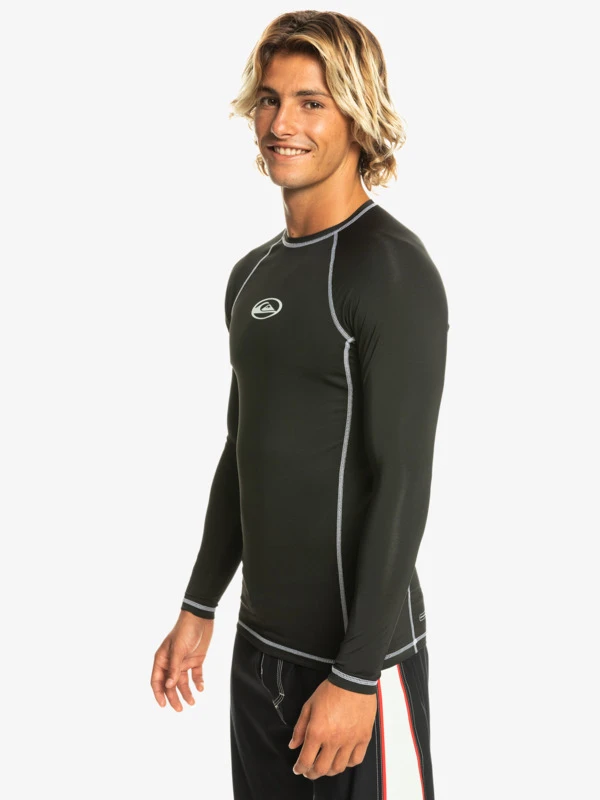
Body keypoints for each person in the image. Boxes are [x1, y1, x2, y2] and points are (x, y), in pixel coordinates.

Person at [151, 10, 449, 799]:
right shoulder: (252, 275)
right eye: (270, 99)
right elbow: (242, 449)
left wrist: (356, 676)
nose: (282, 124)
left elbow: (404, 481)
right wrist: (199, 604)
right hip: (259, 655)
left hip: (357, 668)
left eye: (311, 102)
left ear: (356, 113)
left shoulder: (390, 270)